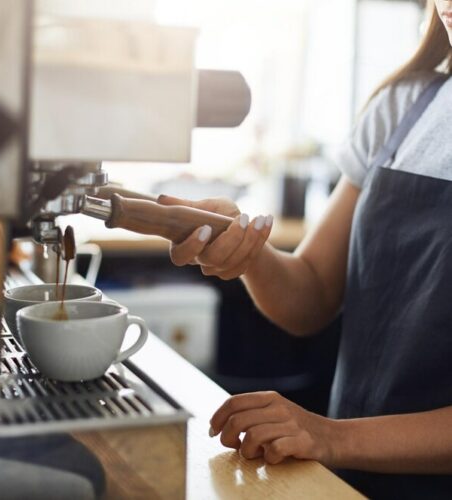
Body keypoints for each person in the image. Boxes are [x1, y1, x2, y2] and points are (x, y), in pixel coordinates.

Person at [157, 1, 452, 498]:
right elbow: (312, 293)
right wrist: (249, 252)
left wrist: (330, 435)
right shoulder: (404, 105)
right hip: (345, 482)